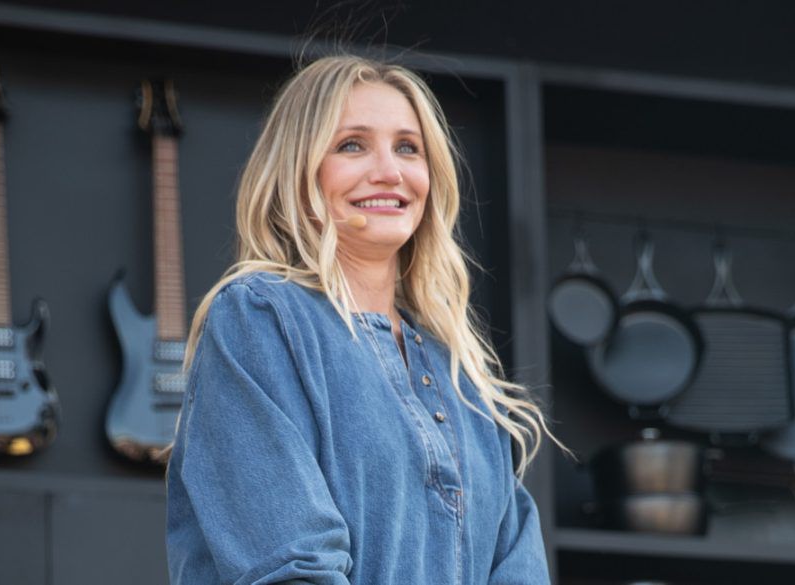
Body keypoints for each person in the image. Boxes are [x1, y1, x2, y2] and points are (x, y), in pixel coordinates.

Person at [166, 54, 557, 584]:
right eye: (352, 145)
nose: (390, 172)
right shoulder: (259, 317)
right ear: (299, 169)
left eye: (407, 148)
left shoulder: (463, 377)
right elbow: (291, 569)